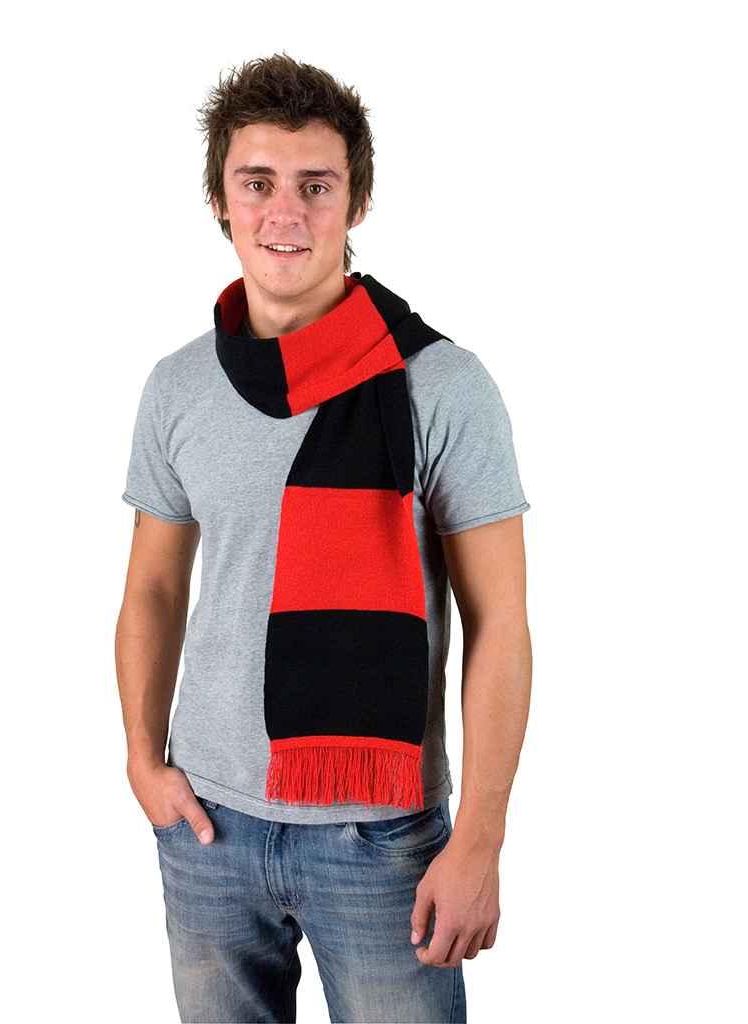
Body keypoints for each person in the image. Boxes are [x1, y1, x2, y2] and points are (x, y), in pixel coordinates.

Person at [115, 52, 532, 1024]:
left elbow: (501, 623)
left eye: (316, 185)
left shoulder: (442, 386)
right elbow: (153, 590)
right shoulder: (178, 386)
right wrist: (141, 757)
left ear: (357, 201)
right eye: (257, 183)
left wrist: (479, 839)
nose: (285, 214)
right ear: (220, 200)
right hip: (207, 825)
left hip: (381, 837)